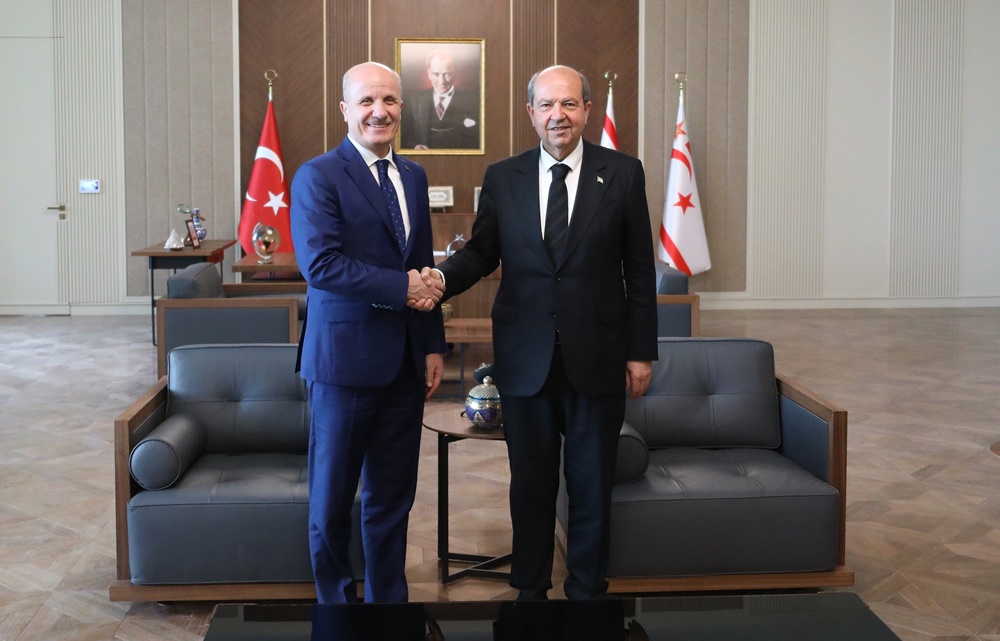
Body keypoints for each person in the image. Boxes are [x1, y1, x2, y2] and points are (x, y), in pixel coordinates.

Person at [424, 65, 658, 600]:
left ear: (587, 110)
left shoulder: (623, 173)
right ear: (530, 112)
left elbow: (640, 269)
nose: (559, 115)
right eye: (548, 105)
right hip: (525, 358)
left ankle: (587, 592)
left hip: (597, 355)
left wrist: (641, 351)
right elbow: (482, 252)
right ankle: (529, 591)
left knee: (591, 483)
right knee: (530, 484)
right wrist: (440, 279)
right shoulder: (503, 176)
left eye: (569, 104)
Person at [290, 61, 447, 604]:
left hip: (405, 364)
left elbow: (422, 264)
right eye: (366, 101)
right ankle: (337, 609)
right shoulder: (318, 175)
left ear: (402, 107)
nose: (379, 111)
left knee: (393, 498)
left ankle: (387, 606)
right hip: (343, 365)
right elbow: (321, 266)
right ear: (345, 110)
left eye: (389, 100)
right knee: (332, 501)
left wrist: (432, 343)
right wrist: (402, 288)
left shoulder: (414, 176)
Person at [401, 49, 480, 150]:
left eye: (447, 74)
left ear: (456, 72)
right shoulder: (414, 101)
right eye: (436, 74)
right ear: (429, 74)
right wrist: (414, 147)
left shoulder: (474, 101)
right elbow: (404, 137)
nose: (442, 81)